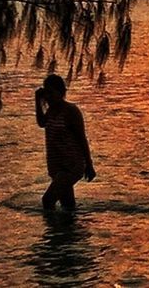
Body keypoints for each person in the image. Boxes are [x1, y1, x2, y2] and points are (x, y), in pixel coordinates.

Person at [35, 74, 96, 210]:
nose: (49, 97)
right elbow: (41, 123)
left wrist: (89, 165)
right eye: (47, 93)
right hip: (56, 165)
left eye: (51, 93)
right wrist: (37, 101)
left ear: (61, 92)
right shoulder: (51, 111)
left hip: (71, 165)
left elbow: (81, 138)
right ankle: (70, 230)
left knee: (48, 200)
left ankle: (52, 231)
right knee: (68, 206)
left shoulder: (71, 111)